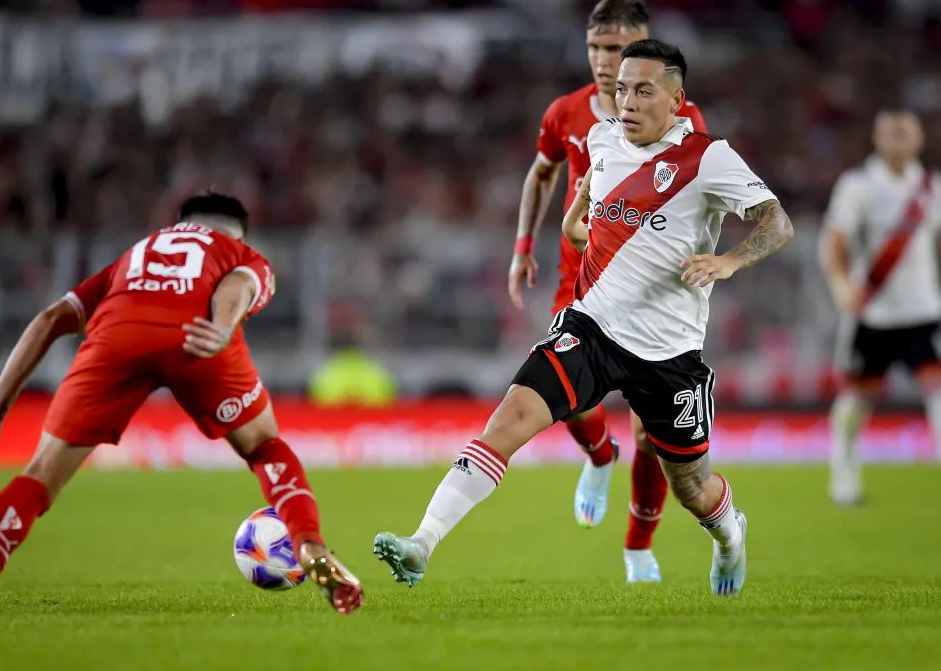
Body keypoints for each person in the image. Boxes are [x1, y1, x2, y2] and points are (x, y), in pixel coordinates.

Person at [375, 40, 793, 597]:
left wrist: (729, 260)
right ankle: (422, 543)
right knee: (510, 416)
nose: (628, 102)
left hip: (669, 353)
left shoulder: (708, 158)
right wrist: (592, 233)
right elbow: (577, 223)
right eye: (622, 90)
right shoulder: (602, 140)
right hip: (591, 328)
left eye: (643, 91)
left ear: (676, 100)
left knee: (691, 488)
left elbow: (777, 222)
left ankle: (728, 534)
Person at [0, 192, 364, 629]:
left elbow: (49, 320)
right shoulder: (241, 253)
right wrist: (221, 327)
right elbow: (237, 285)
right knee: (264, 446)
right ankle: (309, 545)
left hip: (117, 336)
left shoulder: (134, 256)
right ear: (238, 234)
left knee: (39, 477)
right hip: (199, 336)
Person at [508, 0, 707, 584]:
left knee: (650, 432)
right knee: (564, 400)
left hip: (650, 298)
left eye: (617, 47)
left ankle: (638, 547)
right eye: (595, 46)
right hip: (581, 285)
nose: (603, 59)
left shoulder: (683, 122)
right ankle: (599, 457)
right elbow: (541, 173)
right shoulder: (567, 113)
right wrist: (523, 245)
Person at [820, 110, 941, 504]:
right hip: (874, 315)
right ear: (877, 138)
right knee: (855, 401)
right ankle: (844, 478)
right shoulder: (858, 186)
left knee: (938, 394)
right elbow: (834, 242)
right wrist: (840, 284)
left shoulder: (932, 188)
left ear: (919, 138)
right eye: (891, 132)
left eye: (905, 132)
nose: (898, 138)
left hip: (924, 313)